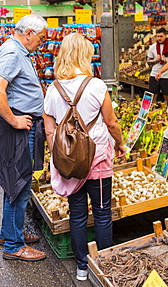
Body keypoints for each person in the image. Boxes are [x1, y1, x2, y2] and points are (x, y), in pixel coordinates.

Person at [44, 33, 126, 281]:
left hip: (69, 164)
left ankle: (81, 267)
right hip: (98, 158)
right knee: (101, 212)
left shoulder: (53, 88)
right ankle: (104, 267)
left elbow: (49, 130)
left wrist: (59, 156)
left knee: (77, 214)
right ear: (85, 55)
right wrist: (120, 144)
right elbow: (111, 123)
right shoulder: (97, 85)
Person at [0, 14, 48, 261]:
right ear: (29, 33)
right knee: (18, 185)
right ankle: (13, 246)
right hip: (18, 130)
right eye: (41, 37)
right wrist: (15, 120)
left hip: (21, 127)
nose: (42, 42)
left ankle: (9, 233)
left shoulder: (17, 50)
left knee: (16, 184)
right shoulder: (12, 53)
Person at [147, 27, 168, 104]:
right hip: (154, 73)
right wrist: (155, 60)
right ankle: (152, 109)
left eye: (161, 36)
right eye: (158, 36)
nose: (159, 38)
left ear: (166, 36)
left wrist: (166, 60)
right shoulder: (152, 47)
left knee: (167, 96)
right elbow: (148, 61)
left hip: (167, 75)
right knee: (152, 95)